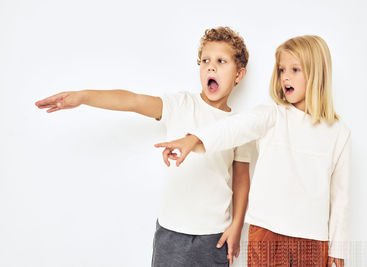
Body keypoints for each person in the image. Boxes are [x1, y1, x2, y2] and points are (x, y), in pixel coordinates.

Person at [35, 27, 253, 266]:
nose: (211, 67)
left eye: (221, 61)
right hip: (171, 232)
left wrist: (236, 226)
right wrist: (83, 96)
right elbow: (132, 100)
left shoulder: (240, 126)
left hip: (214, 237)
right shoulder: (179, 104)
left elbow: (242, 179)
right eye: (205, 61)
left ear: (238, 74)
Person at [155, 35, 350, 267]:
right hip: (266, 234)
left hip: (312, 240)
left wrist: (337, 247)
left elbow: (340, 197)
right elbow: (232, 128)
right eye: (281, 70)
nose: (285, 76)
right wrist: (194, 139)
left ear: (317, 74)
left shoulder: (339, 132)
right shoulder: (273, 115)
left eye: (295, 69)